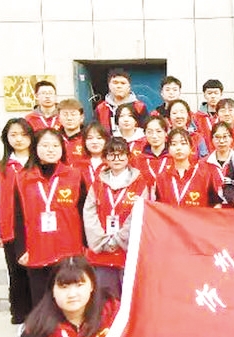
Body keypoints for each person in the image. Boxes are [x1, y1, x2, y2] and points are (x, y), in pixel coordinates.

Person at [14, 129, 87, 305]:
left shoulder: (74, 175)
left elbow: (84, 212)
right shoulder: (23, 178)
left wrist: (86, 245)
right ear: (35, 148)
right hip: (37, 247)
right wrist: (21, 248)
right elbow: (17, 215)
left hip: (69, 246)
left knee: (69, 298)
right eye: (45, 145)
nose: (51, 150)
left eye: (55, 146)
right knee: (41, 300)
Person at [83, 137, 148, 297]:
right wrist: (102, 240)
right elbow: (89, 213)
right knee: (105, 298)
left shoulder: (140, 183)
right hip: (102, 249)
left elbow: (139, 214)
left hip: (128, 249)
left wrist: (118, 239)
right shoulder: (98, 183)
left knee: (129, 297)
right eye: (111, 155)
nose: (116, 159)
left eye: (121, 154)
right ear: (105, 158)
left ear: (128, 156)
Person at [0, 118, 34, 324]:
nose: (19, 139)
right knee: (16, 273)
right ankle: (20, 314)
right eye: (13, 135)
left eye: (23, 134)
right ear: (6, 139)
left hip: (38, 227)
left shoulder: (39, 164)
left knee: (38, 273)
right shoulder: (2, 168)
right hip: (12, 228)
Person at [155, 129, 221, 207]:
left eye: (183, 143)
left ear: (191, 148)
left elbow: (216, 204)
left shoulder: (204, 175)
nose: (178, 148)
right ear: (168, 149)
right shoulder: (161, 178)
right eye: (174, 144)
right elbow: (157, 208)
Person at [94, 68, 148, 135]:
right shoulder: (100, 109)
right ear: (109, 85)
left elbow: (145, 131)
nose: (119, 86)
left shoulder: (139, 107)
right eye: (115, 83)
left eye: (123, 83)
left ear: (129, 87)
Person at [74, 122, 109, 187]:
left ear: (106, 141)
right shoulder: (77, 165)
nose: (94, 142)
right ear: (84, 141)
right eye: (90, 138)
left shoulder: (112, 163)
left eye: (99, 138)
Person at [205, 122, 234, 199]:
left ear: (231, 139)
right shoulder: (203, 163)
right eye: (217, 137)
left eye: (225, 136)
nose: (221, 141)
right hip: (212, 205)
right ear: (212, 139)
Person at [193, 79, 224, 150]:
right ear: (204, 95)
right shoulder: (196, 117)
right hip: (203, 154)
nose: (213, 96)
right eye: (209, 93)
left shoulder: (226, 115)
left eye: (216, 93)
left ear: (221, 94)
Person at [57, 98, 85, 165]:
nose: (69, 118)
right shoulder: (55, 138)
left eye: (73, 114)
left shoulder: (88, 138)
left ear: (81, 118)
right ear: (59, 118)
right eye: (65, 114)